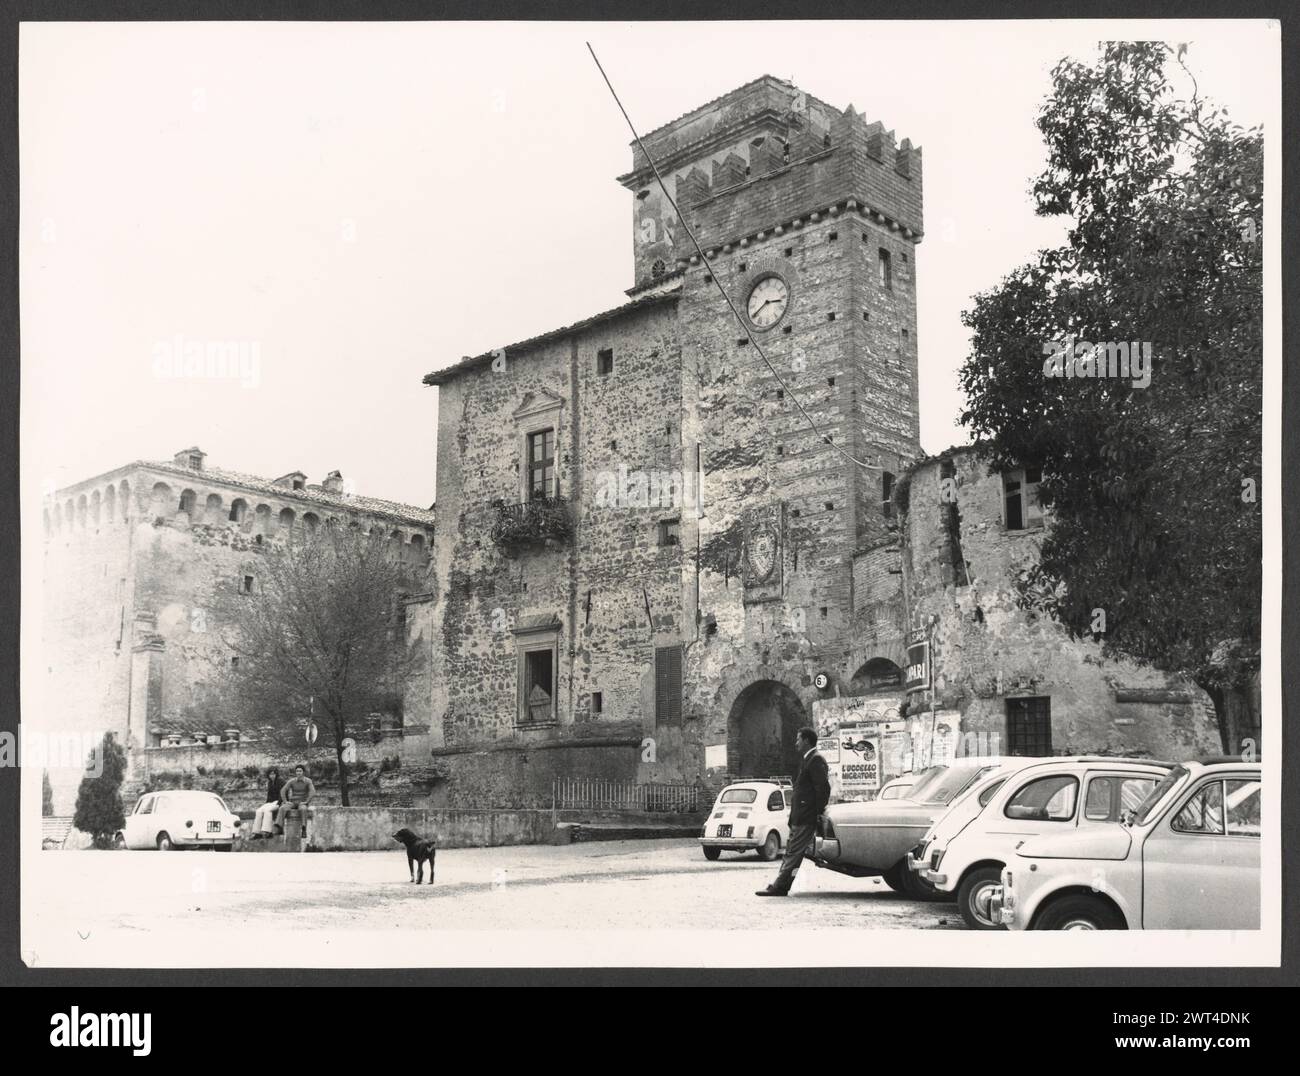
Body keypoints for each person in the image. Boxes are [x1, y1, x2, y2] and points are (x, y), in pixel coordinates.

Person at [756, 727, 830, 897]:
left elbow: (823, 789)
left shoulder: (816, 760)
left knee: (793, 853)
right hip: (800, 817)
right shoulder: (808, 759)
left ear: (806, 741)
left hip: (805, 818)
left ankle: (779, 886)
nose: (796, 743)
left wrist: (814, 812)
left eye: (798, 739)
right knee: (793, 853)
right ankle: (782, 885)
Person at [274, 765, 316, 833]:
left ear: (303, 772)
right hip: (293, 802)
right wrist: (285, 801)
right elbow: (283, 790)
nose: (298, 773)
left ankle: (304, 828)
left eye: (300, 771)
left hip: (302, 802)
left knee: (303, 809)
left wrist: (307, 801)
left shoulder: (308, 781)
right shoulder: (292, 781)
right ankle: (279, 826)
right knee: (282, 808)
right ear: (295, 772)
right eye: (297, 771)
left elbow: (313, 792)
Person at [251, 767, 282, 838]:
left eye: (273, 774)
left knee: (267, 810)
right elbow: (269, 795)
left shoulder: (281, 781)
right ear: (268, 775)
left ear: (276, 774)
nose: (272, 776)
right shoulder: (270, 783)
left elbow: (283, 794)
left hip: (279, 802)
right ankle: (257, 832)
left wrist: (279, 804)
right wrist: (265, 804)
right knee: (259, 811)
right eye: (270, 774)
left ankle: (267, 832)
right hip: (271, 802)